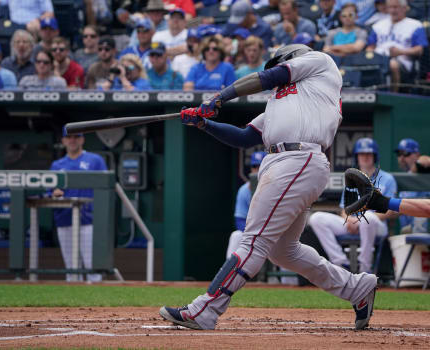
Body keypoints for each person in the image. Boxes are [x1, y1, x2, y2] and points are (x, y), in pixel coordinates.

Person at [160, 44, 379, 331]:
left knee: (253, 240)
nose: (275, 74)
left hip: (298, 158)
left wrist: (220, 97)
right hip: (285, 162)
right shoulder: (290, 100)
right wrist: (204, 124)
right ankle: (356, 288)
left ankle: (205, 309)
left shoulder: (319, 62)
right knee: (283, 251)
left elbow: (272, 76)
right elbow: (243, 137)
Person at [308, 138, 397, 273]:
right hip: (353, 223)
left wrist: (360, 220)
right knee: (317, 218)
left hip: (376, 225)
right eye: (362, 154)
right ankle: (341, 263)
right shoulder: (353, 179)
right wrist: (349, 220)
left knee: (369, 217)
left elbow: (391, 211)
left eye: (369, 154)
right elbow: (344, 209)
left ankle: (365, 269)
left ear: (374, 156)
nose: (365, 157)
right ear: (357, 157)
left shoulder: (387, 179)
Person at [50, 127, 107, 282]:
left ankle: (98, 304)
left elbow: (105, 188)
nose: (72, 140)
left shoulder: (95, 160)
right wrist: (54, 193)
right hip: (65, 219)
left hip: (89, 220)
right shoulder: (57, 165)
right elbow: (50, 191)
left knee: (92, 266)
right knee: (71, 267)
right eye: (69, 137)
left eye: (76, 136)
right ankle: (74, 306)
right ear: (63, 141)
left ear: (82, 139)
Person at [366, 0, 428, 92]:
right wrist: (370, 54)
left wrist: (401, 52)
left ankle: (392, 94)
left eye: (396, 7)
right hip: (379, 59)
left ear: (404, 8)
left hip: (403, 61)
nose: (392, 10)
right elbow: (370, 46)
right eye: (390, 7)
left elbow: (419, 50)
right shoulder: (378, 25)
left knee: (392, 64)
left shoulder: (415, 25)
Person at [226, 151, 266, 258]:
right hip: (253, 234)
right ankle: (230, 273)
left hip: (273, 234)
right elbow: (239, 220)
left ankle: (287, 276)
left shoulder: (277, 186)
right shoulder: (244, 190)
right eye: (254, 166)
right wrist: (253, 235)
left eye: (260, 166)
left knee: (285, 242)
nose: (257, 170)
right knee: (236, 236)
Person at [394, 138, 430, 233]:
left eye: (406, 154)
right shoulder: (401, 179)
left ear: (417, 155)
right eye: (399, 154)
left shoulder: (422, 170)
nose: (401, 158)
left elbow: (425, 160)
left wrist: (417, 164)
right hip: (407, 231)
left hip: (423, 231)